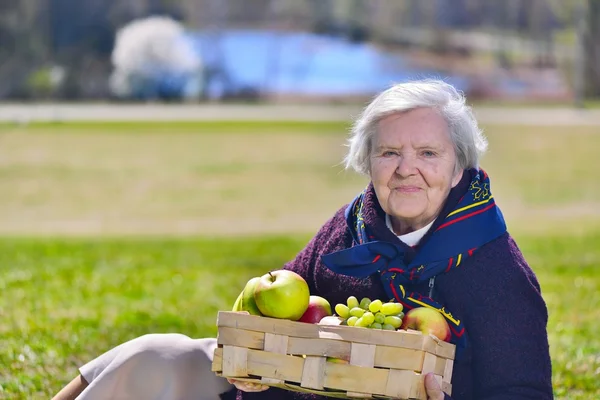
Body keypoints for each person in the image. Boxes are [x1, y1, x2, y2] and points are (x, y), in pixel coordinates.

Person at [53, 79, 553, 400]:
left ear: (459, 165)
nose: (406, 170)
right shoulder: (351, 226)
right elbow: (275, 313)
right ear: (367, 162)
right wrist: (249, 366)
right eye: (389, 153)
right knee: (154, 354)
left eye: (427, 153)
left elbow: (526, 391)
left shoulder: (496, 269)